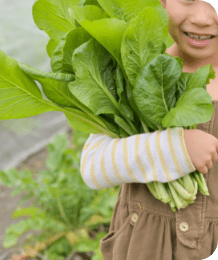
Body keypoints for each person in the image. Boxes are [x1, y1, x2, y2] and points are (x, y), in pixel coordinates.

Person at [80, 0, 218, 259]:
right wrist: (173, 149)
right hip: (144, 244)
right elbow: (93, 168)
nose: (202, 17)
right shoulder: (133, 66)